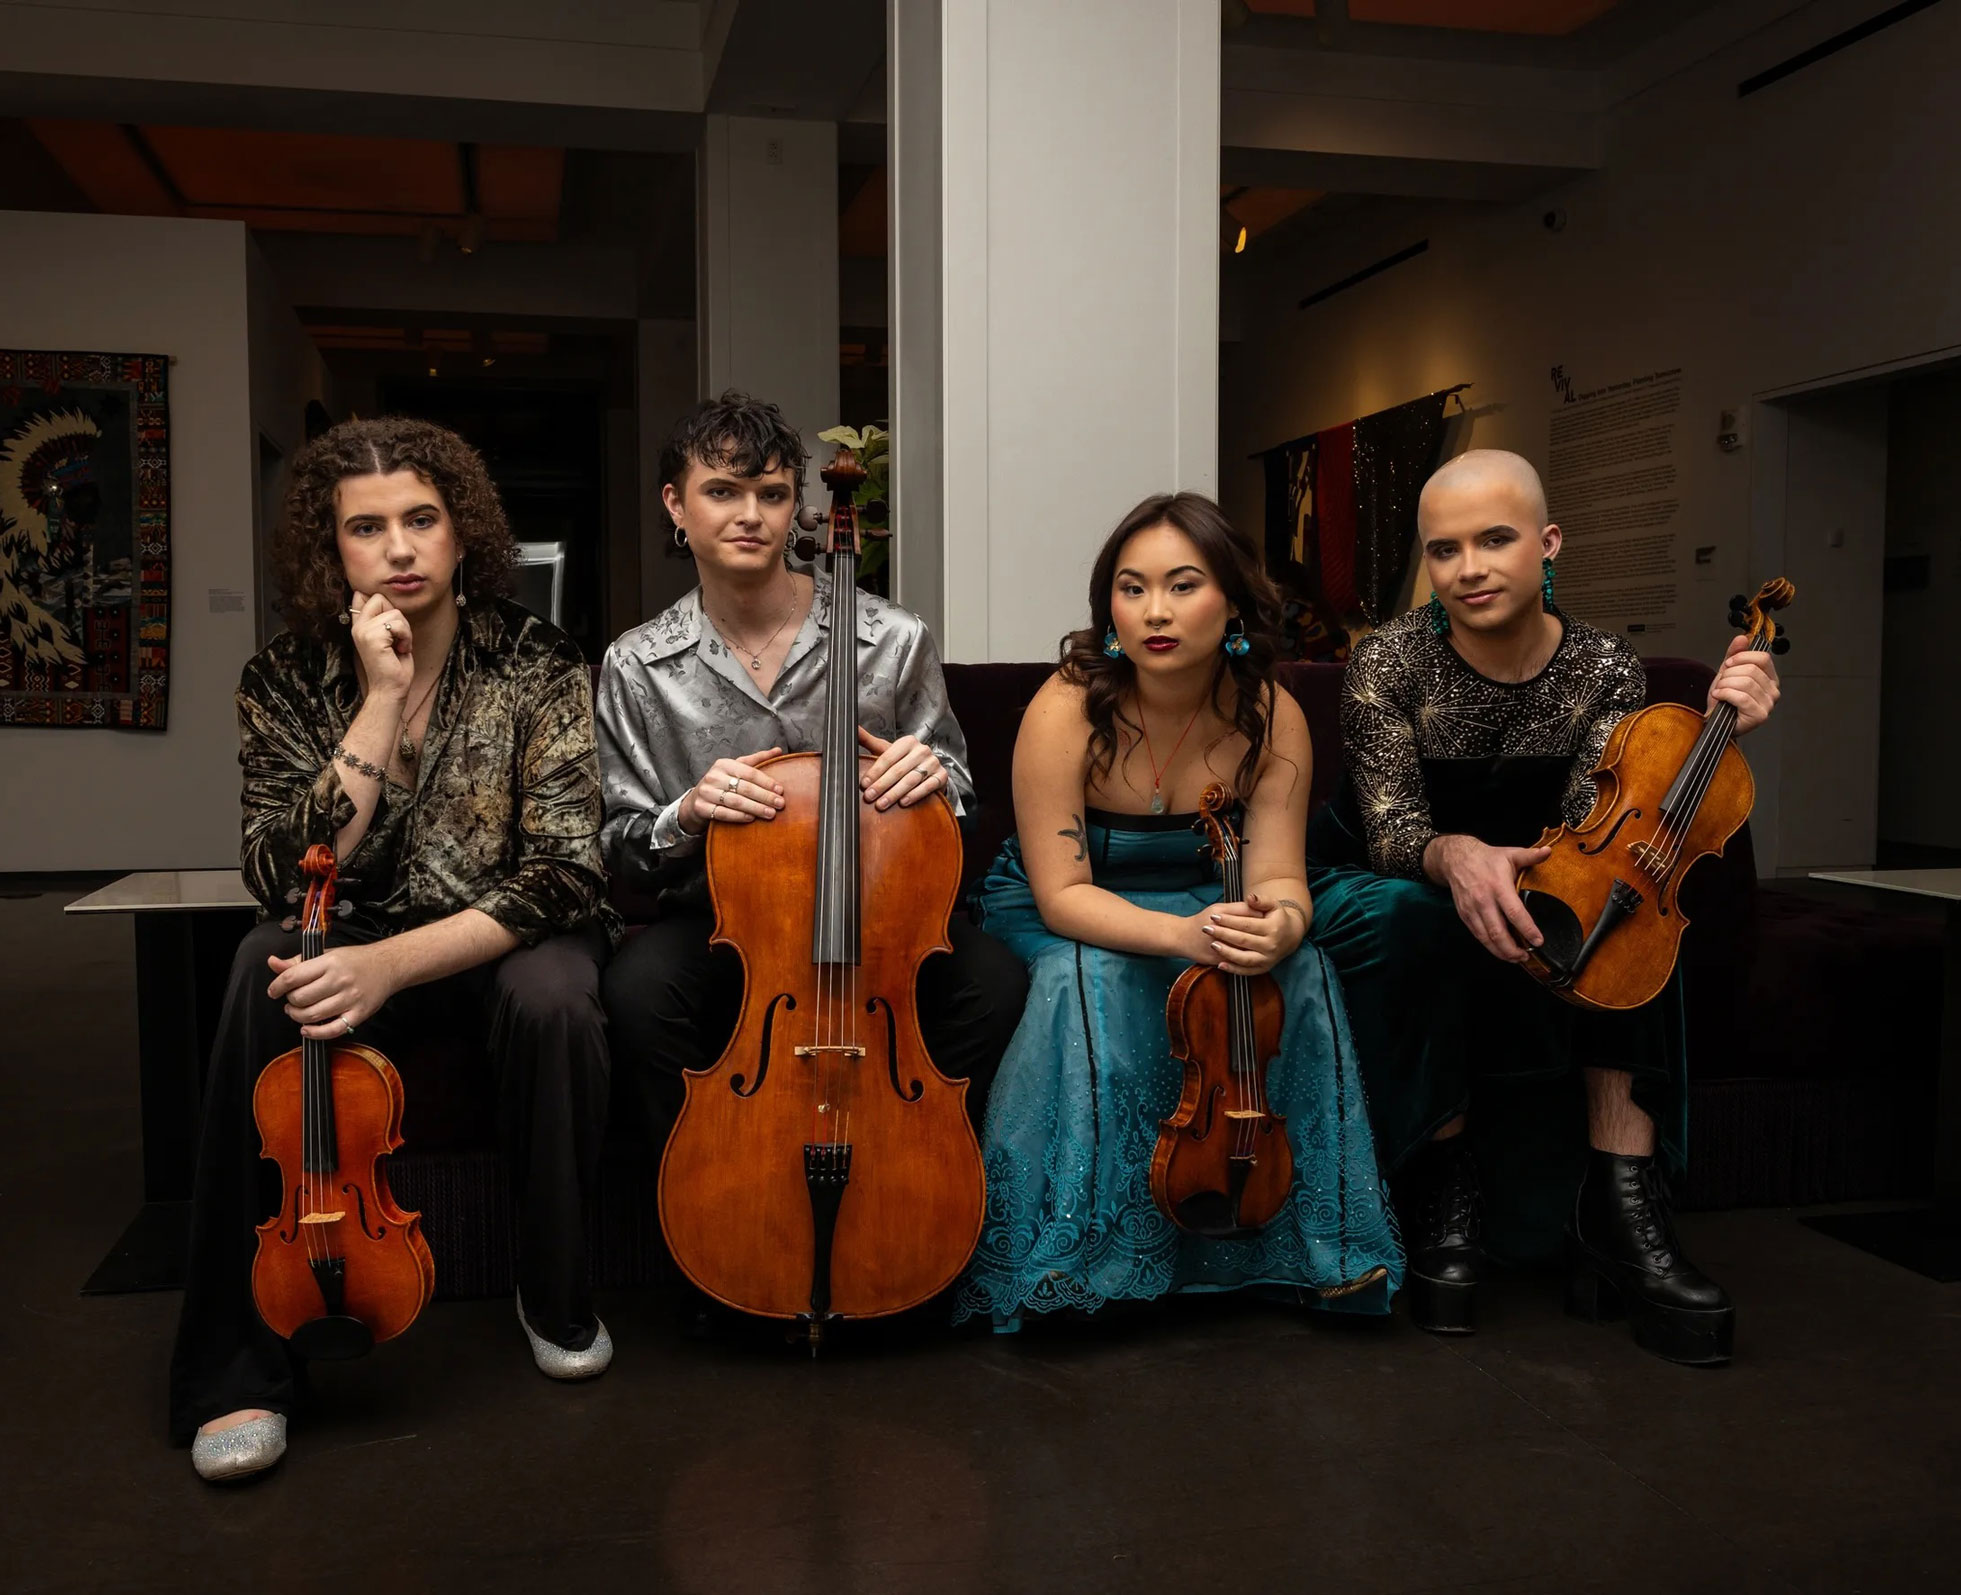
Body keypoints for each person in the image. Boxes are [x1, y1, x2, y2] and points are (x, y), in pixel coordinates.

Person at [172, 417, 619, 1482]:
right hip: (349, 929)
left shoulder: (539, 659)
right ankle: (238, 1366)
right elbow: (285, 872)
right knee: (255, 964)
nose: (400, 547)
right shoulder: (284, 677)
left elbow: (566, 870)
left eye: (421, 518)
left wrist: (393, 964)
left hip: (498, 938)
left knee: (560, 991)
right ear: (336, 550)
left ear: (463, 531)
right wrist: (376, 699)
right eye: (367, 527)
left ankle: (555, 1288)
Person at [1305, 448, 1780, 1364]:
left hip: (1541, 860)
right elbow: (1393, 826)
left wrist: (1720, 726)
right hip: (1390, 872)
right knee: (1421, 915)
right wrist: (1455, 856)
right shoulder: (1387, 662)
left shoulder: (1604, 664)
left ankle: (1622, 1203)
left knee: (1636, 914)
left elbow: (1602, 828)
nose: (1469, 568)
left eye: (1494, 539)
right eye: (1443, 550)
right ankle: (1444, 1180)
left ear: (1548, 542)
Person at [953, 492, 1403, 1331]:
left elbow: (1277, 874)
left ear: (1231, 599)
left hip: (1208, 888)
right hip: (1070, 906)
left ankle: (1299, 1250)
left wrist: (1283, 925)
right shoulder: (1066, 707)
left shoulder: (1270, 713)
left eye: (1182, 584)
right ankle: (1076, 1262)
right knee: (1086, 977)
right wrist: (1179, 936)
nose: (1153, 611)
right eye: (1130, 588)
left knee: (1297, 972)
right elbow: (1060, 893)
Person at [597, 393, 1026, 1193]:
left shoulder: (890, 638)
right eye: (722, 491)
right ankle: (715, 1213)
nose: (749, 514)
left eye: (771, 492)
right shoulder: (637, 663)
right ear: (676, 506)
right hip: (721, 923)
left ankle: (903, 1180)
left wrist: (932, 780)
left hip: (876, 920)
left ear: (797, 506)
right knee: (635, 992)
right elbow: (620, 841)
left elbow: (959, 782)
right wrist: (685, 811)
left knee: (994, 982)